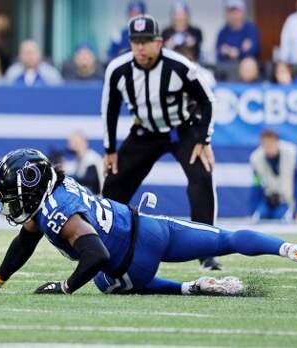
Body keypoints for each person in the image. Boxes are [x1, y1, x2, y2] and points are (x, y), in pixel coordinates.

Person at [0, 149, 297, 295]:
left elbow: (94, 254)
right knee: (226, 238)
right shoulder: (62, 188)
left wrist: (63, 286)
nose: (15, 206)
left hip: (129, 266)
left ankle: (189, 289)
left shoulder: (52, 210)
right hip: (151, 226)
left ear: (31, 189)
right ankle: (289, 249)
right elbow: (26, 239)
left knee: (104, 279)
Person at [100, 15, 220, 271]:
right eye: (135, 41)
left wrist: (203, 139)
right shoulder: (119, 69)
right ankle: (102, 244)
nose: (140, 47)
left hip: (181, 130)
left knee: (201, 176)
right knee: (114, 184)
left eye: (146, 41)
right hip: (144, 132)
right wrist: (109, 150)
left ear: (159, 42)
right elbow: (109, 109)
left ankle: (206, 251)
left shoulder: (179, 65)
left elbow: (207, 100)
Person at [250, 130, 297, 222]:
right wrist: (253, 210)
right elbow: (256, 184)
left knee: (280, 218)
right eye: (265, 144)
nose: (268, 147)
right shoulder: (255, 158)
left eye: (271, 144)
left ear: (277, 142)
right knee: (261, 218)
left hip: (288, 200)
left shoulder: (291, 153)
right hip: (269, 199)